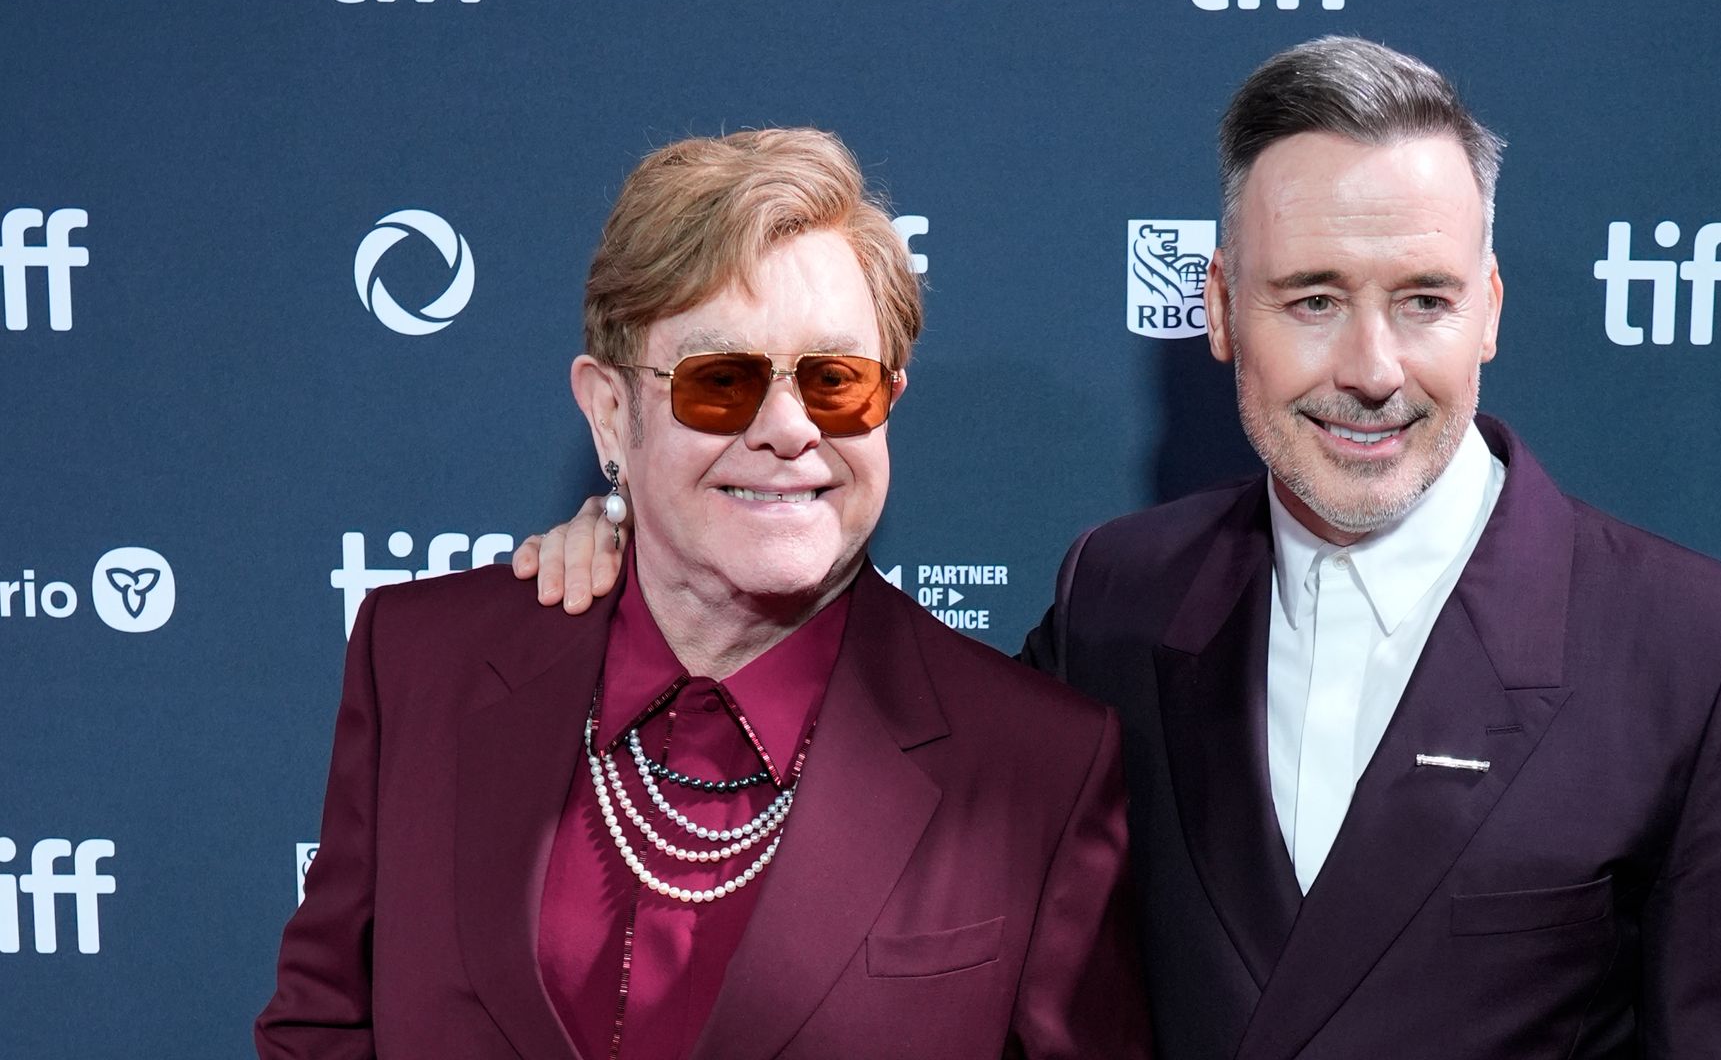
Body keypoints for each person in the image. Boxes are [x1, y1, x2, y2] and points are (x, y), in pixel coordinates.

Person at [521, 38, 1721, 1058]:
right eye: (1311, 300)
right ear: (1218, 313)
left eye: (1422, 302)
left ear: (1488, 311)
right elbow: (885, 792)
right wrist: (673, 559)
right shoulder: (1120, 599)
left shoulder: (1681, 651)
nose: (1370, 370)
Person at [259, 129, 1148, 1060]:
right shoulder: (422, 664)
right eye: (719, 382)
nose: (789, 430)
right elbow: (322, 1030)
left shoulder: (1037, 763)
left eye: (836, 381)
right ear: (611, 410)